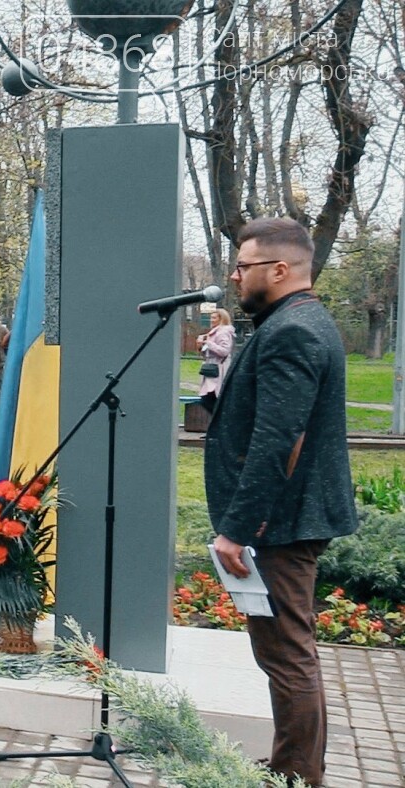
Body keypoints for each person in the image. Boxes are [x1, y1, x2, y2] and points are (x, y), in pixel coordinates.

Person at [206, 218, 357, 788]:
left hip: (281, 523)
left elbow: (279, 440)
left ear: (280, 269)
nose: (236, 275)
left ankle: (296, 777)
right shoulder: (291, 323)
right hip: (285, 518)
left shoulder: (293, 330)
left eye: (244, 266)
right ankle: (293, 766)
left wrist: (238, 528)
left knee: (288, 658)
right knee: (287, 655)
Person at [196, 307, 234, 398]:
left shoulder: (223, 332)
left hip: (219, 370)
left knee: (212, 397)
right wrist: (200, 346)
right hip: (211, 369)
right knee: (208, 397)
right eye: (211, 317)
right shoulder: (213, 332)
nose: (211, 320)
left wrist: (209, 343)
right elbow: (208, 353)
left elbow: (224, 351)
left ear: (221, 319)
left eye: (214, 318)